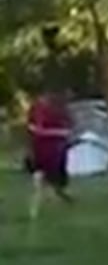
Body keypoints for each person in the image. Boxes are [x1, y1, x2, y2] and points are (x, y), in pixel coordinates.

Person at [25, 89, 73, 218]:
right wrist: (60, 133)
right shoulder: (37, 109)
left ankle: (51, 198)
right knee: (41, 178)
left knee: (49, 176)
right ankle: (36, 209)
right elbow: (36, 130)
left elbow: (66, 126)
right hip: (44, 149)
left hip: (54, 149)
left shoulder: (55, 109)